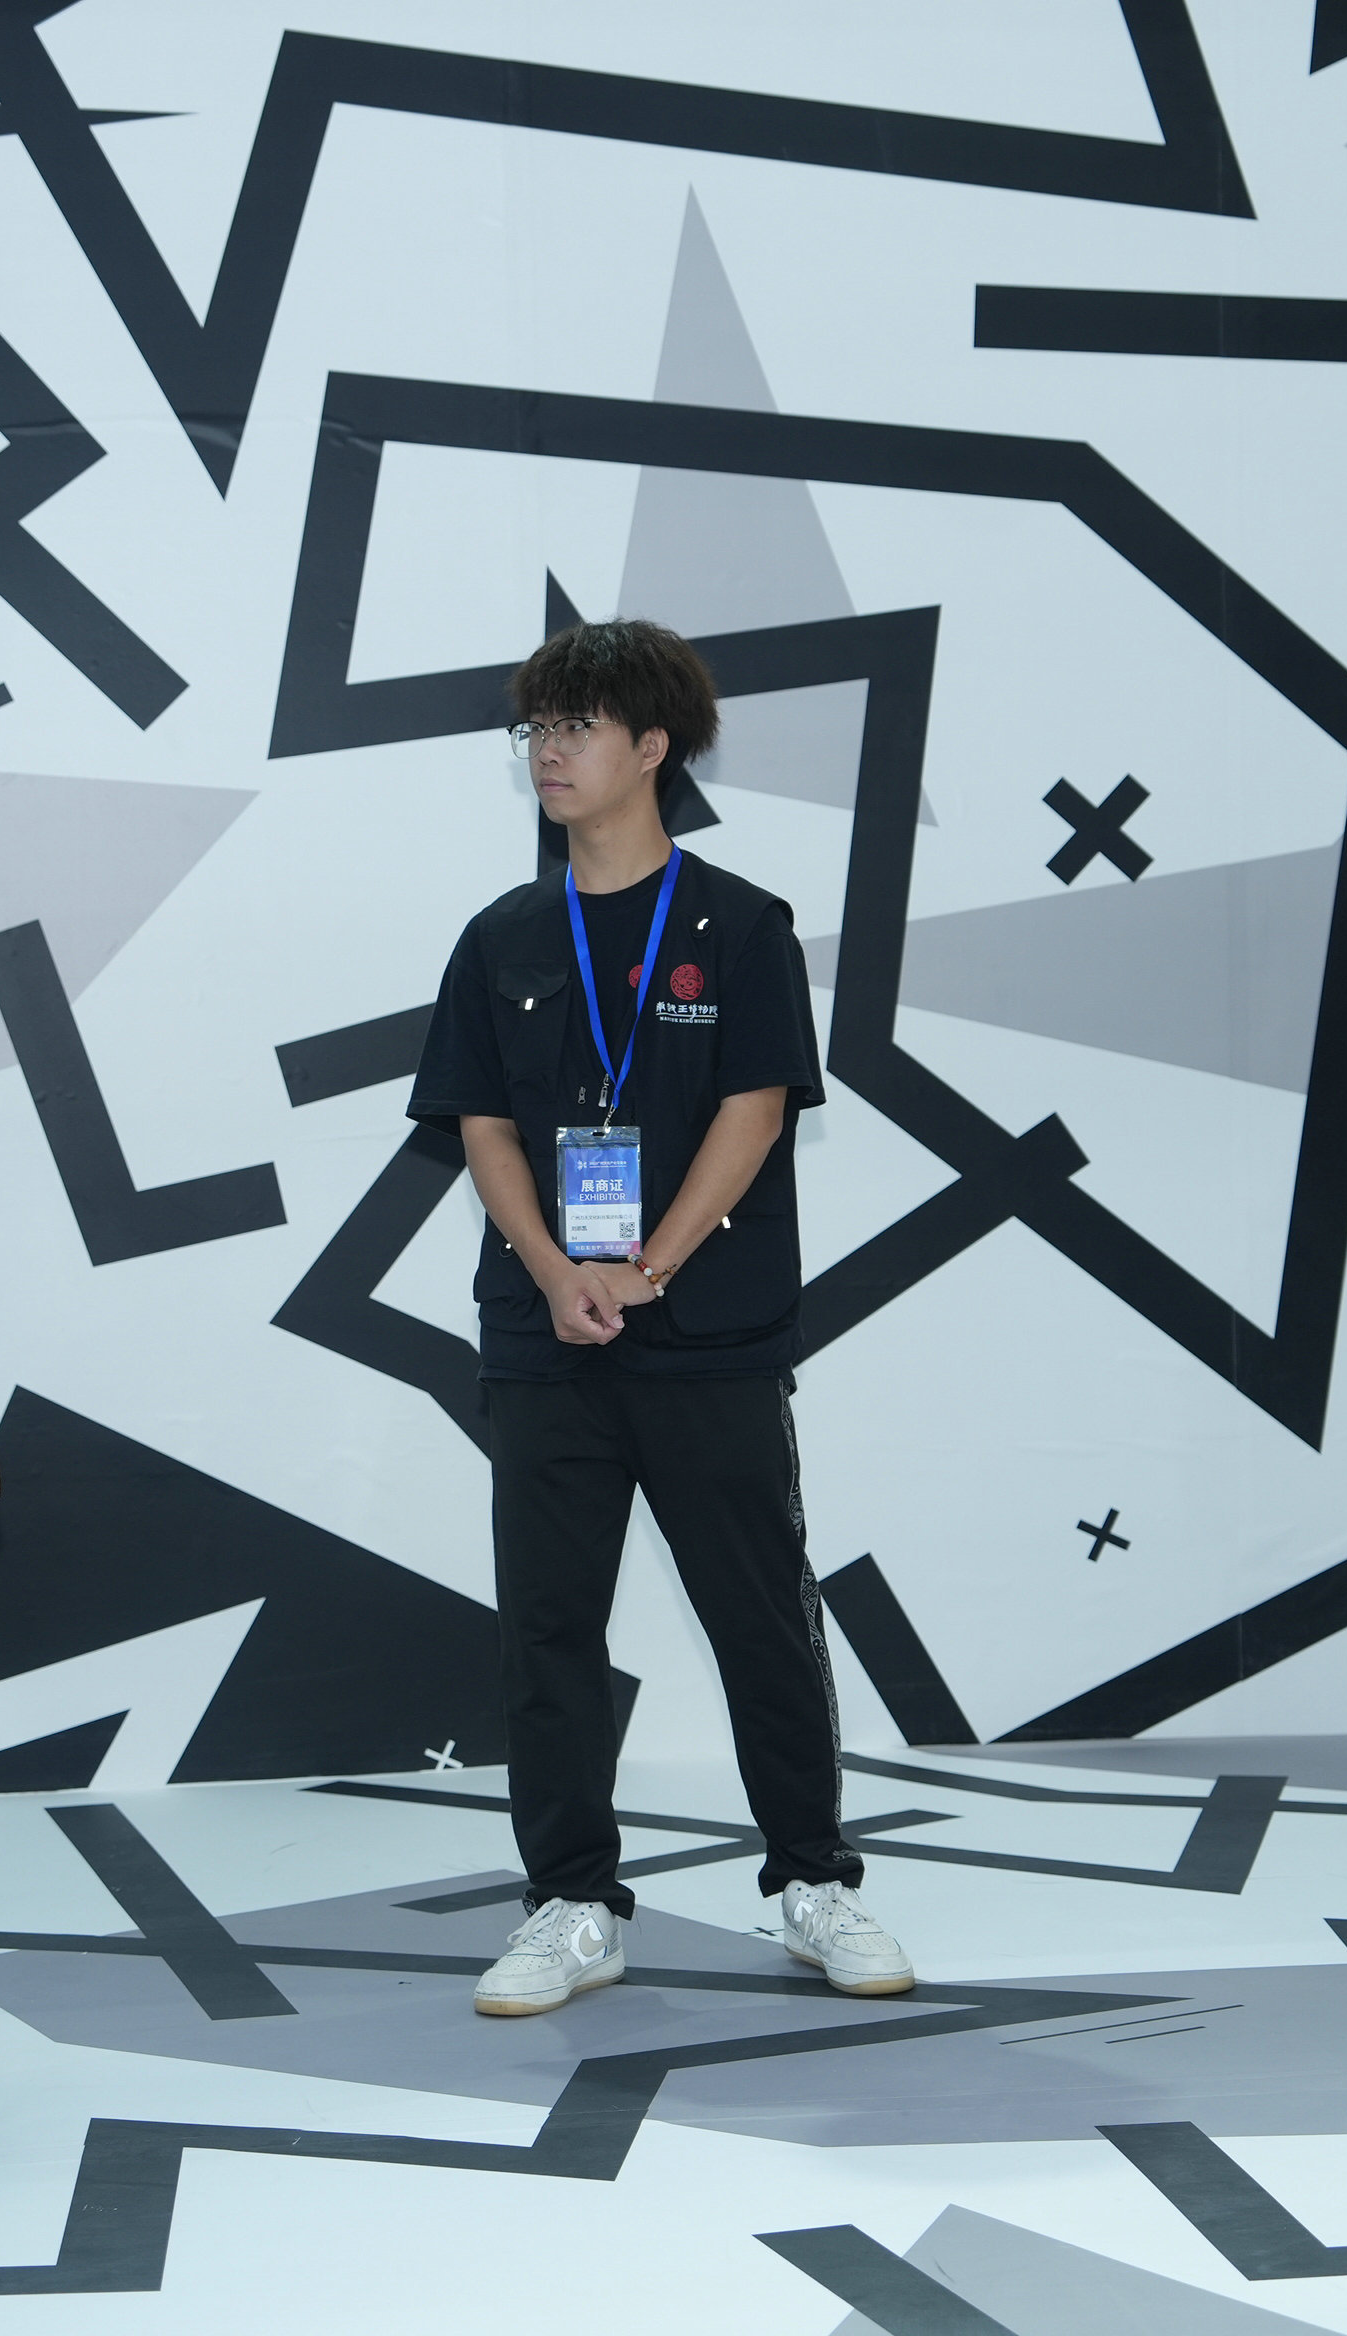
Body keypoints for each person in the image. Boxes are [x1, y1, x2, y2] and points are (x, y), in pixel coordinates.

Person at [407, 618, 911, 2014]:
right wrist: (554, 1267)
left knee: (760, 1616)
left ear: (652, 747)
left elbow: (756, 1109)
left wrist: (652, 1266)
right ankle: (571, 1902)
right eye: (536, 728)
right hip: (545, 1335)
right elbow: (482, 1122)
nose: (549, 752)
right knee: (549, 1629)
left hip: (710, 1336)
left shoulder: (740, 926)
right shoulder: (502, 935)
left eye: (577, 726)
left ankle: (814, 1881)